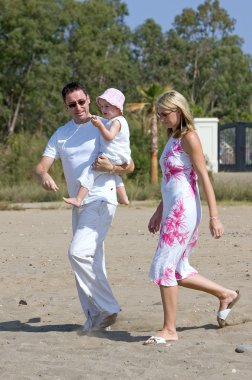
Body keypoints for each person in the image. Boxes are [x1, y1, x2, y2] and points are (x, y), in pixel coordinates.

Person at [35, 82, 134, 332]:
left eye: (82, 101)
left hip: (102, 198)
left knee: (77, 253)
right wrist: (44, 175)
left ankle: (108, 308)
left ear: (89, 99)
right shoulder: (62, 134)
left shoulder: (107, 122)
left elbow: (129, 165)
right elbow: (41, 165)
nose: (78, 107)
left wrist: (111, 168)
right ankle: (94, 320)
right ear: (66, 106)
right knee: (92, 261)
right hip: (77, 203)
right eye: (72, 104)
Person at [143, 90, 240, 345]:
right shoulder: (172, 137)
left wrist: (214, 216)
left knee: (164, 265)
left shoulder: (189, 137)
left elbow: (203, 177)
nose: (161, 118)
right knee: (176, 269)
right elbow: (171, 180)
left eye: (165, 114)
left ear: (179, 111)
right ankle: (226, 294)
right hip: (173, 208)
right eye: (159, 114)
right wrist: (158, 210)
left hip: (184, 211)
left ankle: (169, 330)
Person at [63, 88, 131, 207]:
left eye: (107, 106)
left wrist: (99, 125)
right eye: (102, 106)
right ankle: (124, 197)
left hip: (112, 155)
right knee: (113, 174)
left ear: (117, 107)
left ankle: (78, 199)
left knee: (90, 171)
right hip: (120, 156)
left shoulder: (116, 122)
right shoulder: (118, 120)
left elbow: (109, 137)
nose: (103, 109)